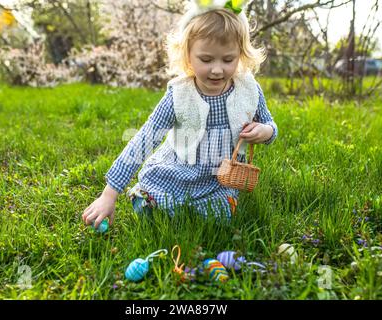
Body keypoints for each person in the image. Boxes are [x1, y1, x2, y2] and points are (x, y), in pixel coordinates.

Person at [82, 0, 278, 230]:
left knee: (219, 219)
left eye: (228, 59)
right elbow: (145, 139)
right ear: (187, 56)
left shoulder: (248, 89)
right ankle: (151, 201)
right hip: (177, 170)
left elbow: (269, 124)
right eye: (206, 59)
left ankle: (206, 211)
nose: (217, 69)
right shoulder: (179, 94)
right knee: (152, 207)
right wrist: (109, 194)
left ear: (241, 54)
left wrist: (265, 132)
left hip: (220, 180)